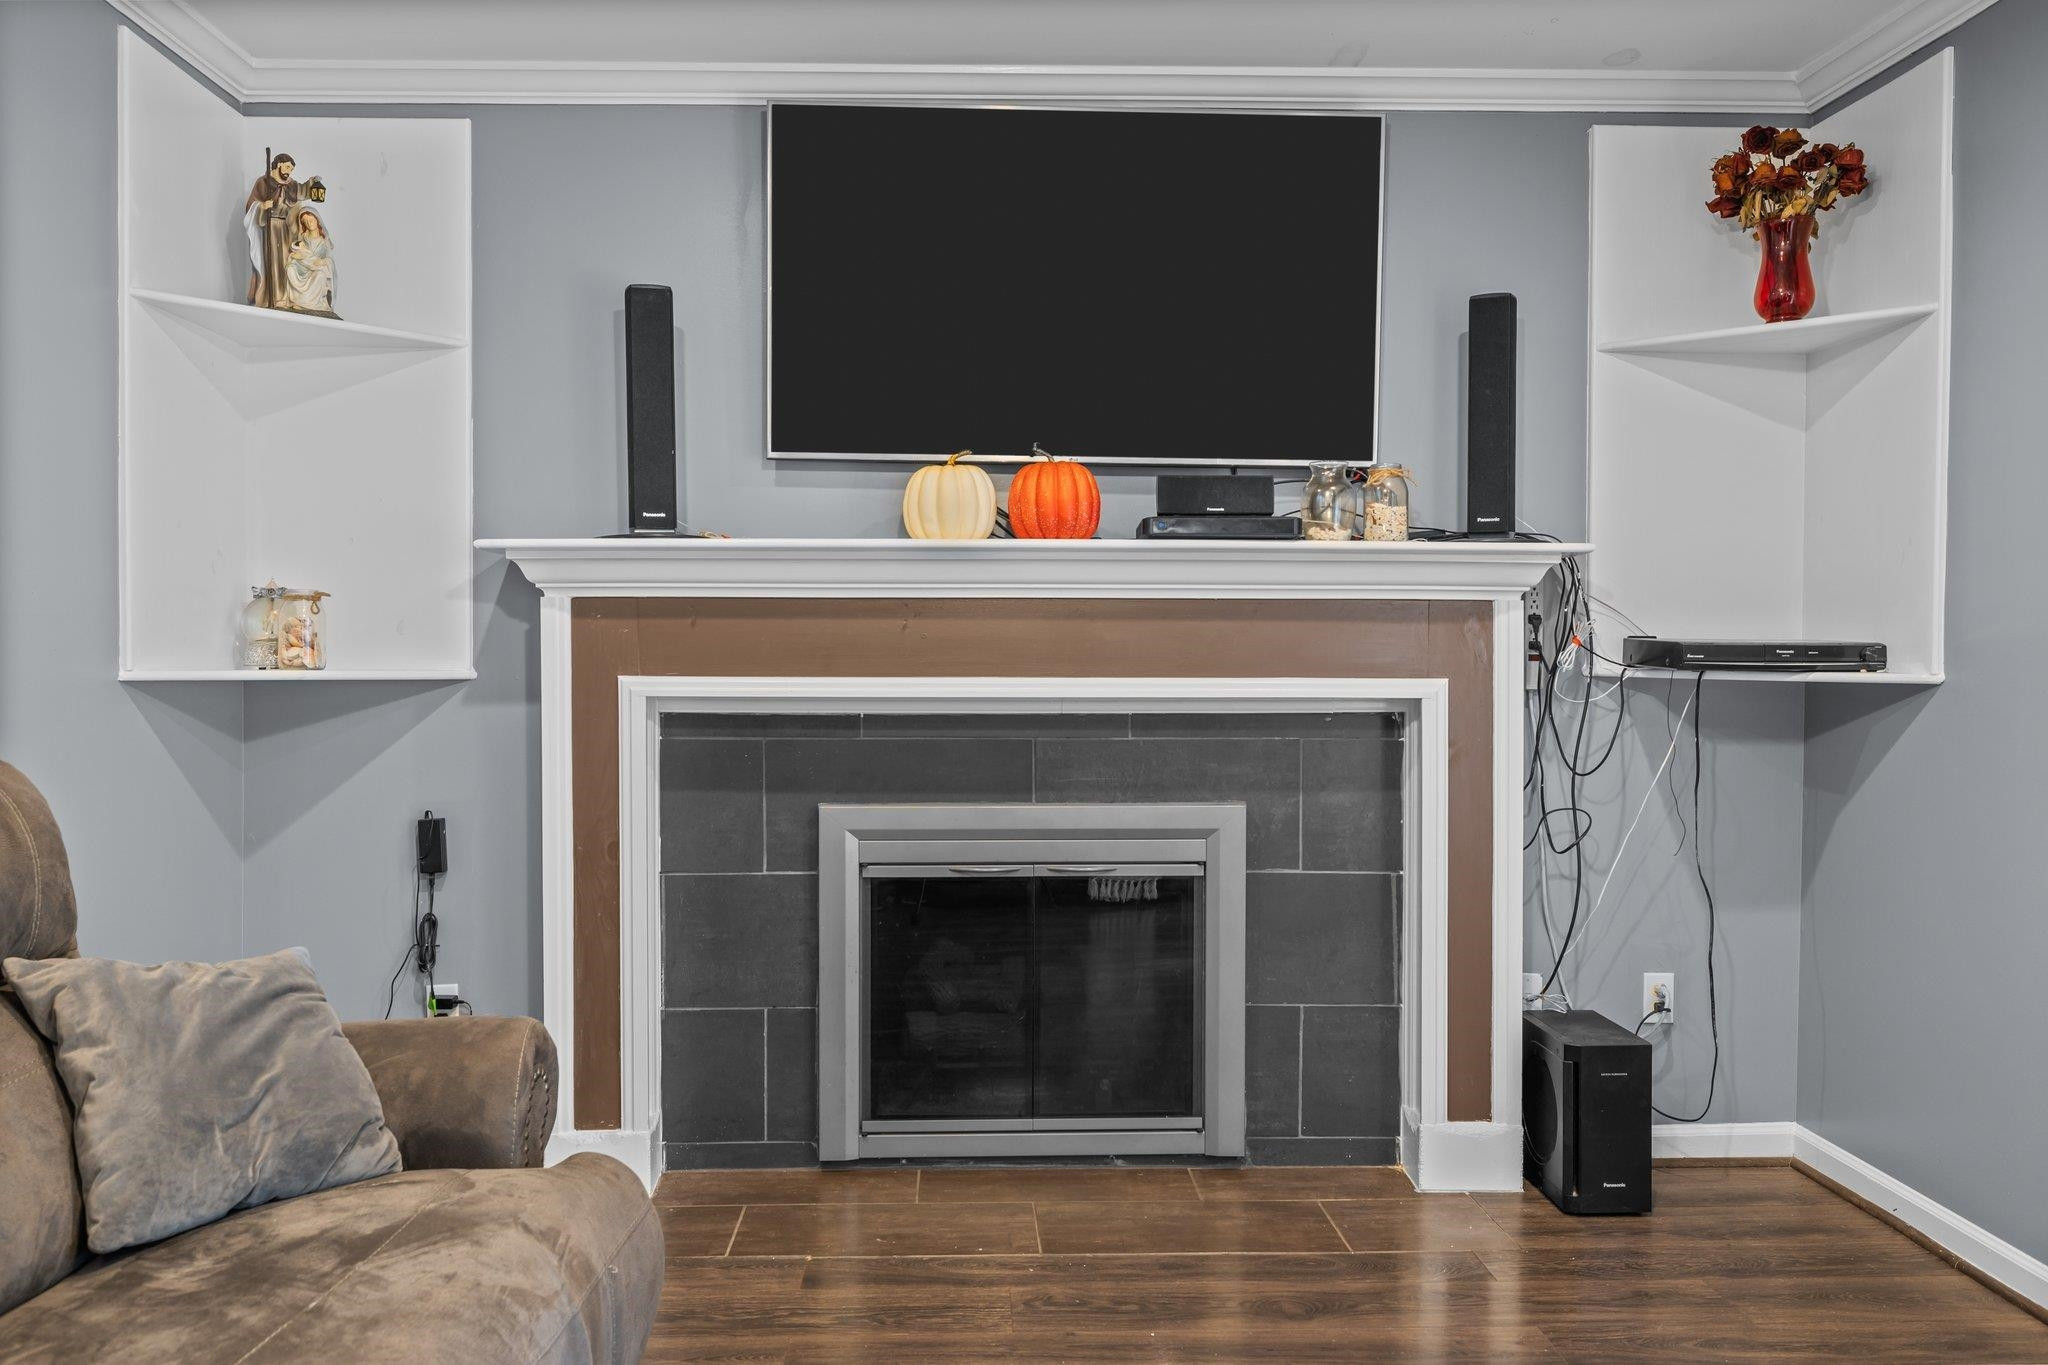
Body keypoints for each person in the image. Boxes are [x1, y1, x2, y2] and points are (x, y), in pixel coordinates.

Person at [243, 151, 326, 311]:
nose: (289, 171)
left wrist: (313, 182)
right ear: (278, 164)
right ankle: (274, 297)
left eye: (291, 169)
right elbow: (250, 206)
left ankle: (286, 297)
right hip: (270, 228)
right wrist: (262, 206)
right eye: (287, 167)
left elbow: (303, 190)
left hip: (287, 229)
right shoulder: (263, 182)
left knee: (287, 262)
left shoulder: (291, 185)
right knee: (273, 262)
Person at [284, 208, 337, 318]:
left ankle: (309, 304)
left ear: (317, 220)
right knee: (290, 268)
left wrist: (322, 261)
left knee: (320, 275)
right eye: (306, 222)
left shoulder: (324, 241)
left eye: (311, 220)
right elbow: (298, 251)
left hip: (316, 268)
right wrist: (294, 258)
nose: (309, 224)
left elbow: (330, 260)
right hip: (303, 267)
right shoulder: (303, 237)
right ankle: (298, 301)